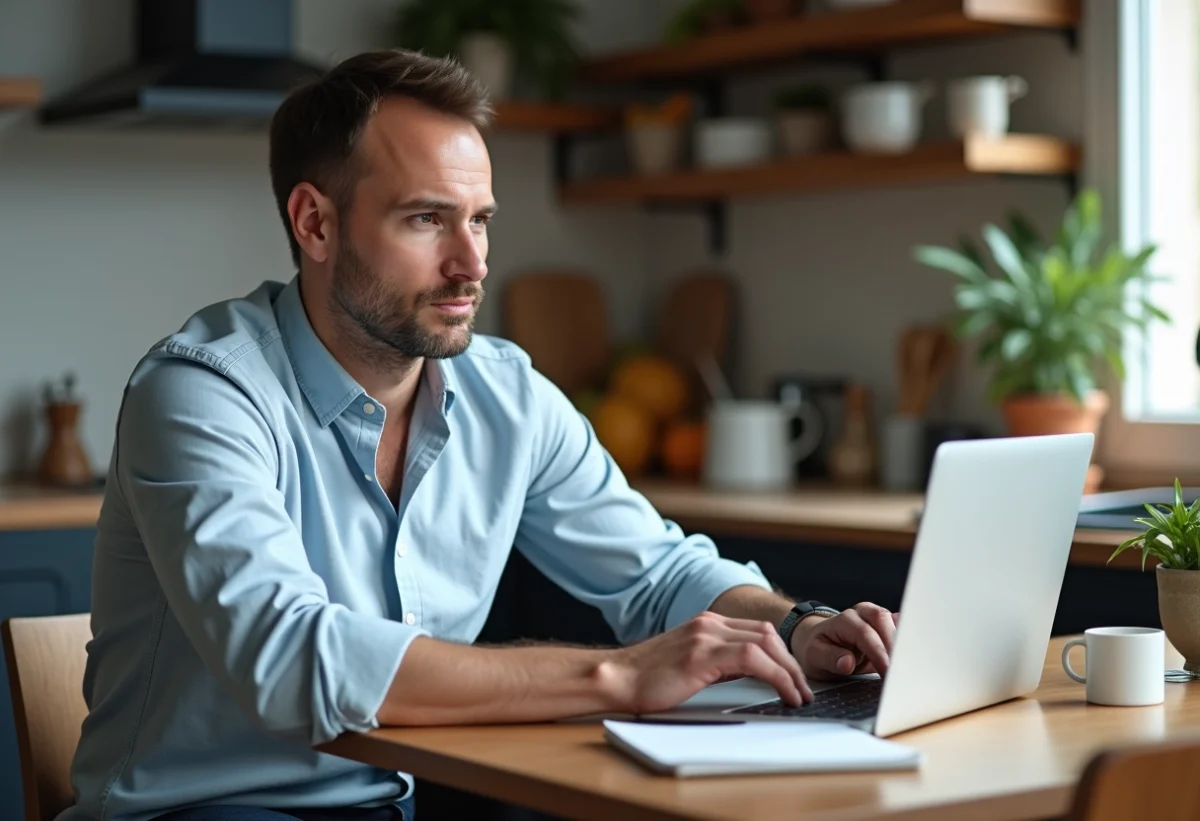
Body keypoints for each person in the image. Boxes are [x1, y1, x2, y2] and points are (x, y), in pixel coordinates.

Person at [59, 49, 898, 821]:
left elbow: (657, 571)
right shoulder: (201, 394)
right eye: (428, 221)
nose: (473, 263)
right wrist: (618, 674)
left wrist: (796, 625)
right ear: (314, 224)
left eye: (481, 219)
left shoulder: (506, 391)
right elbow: (291, 660)